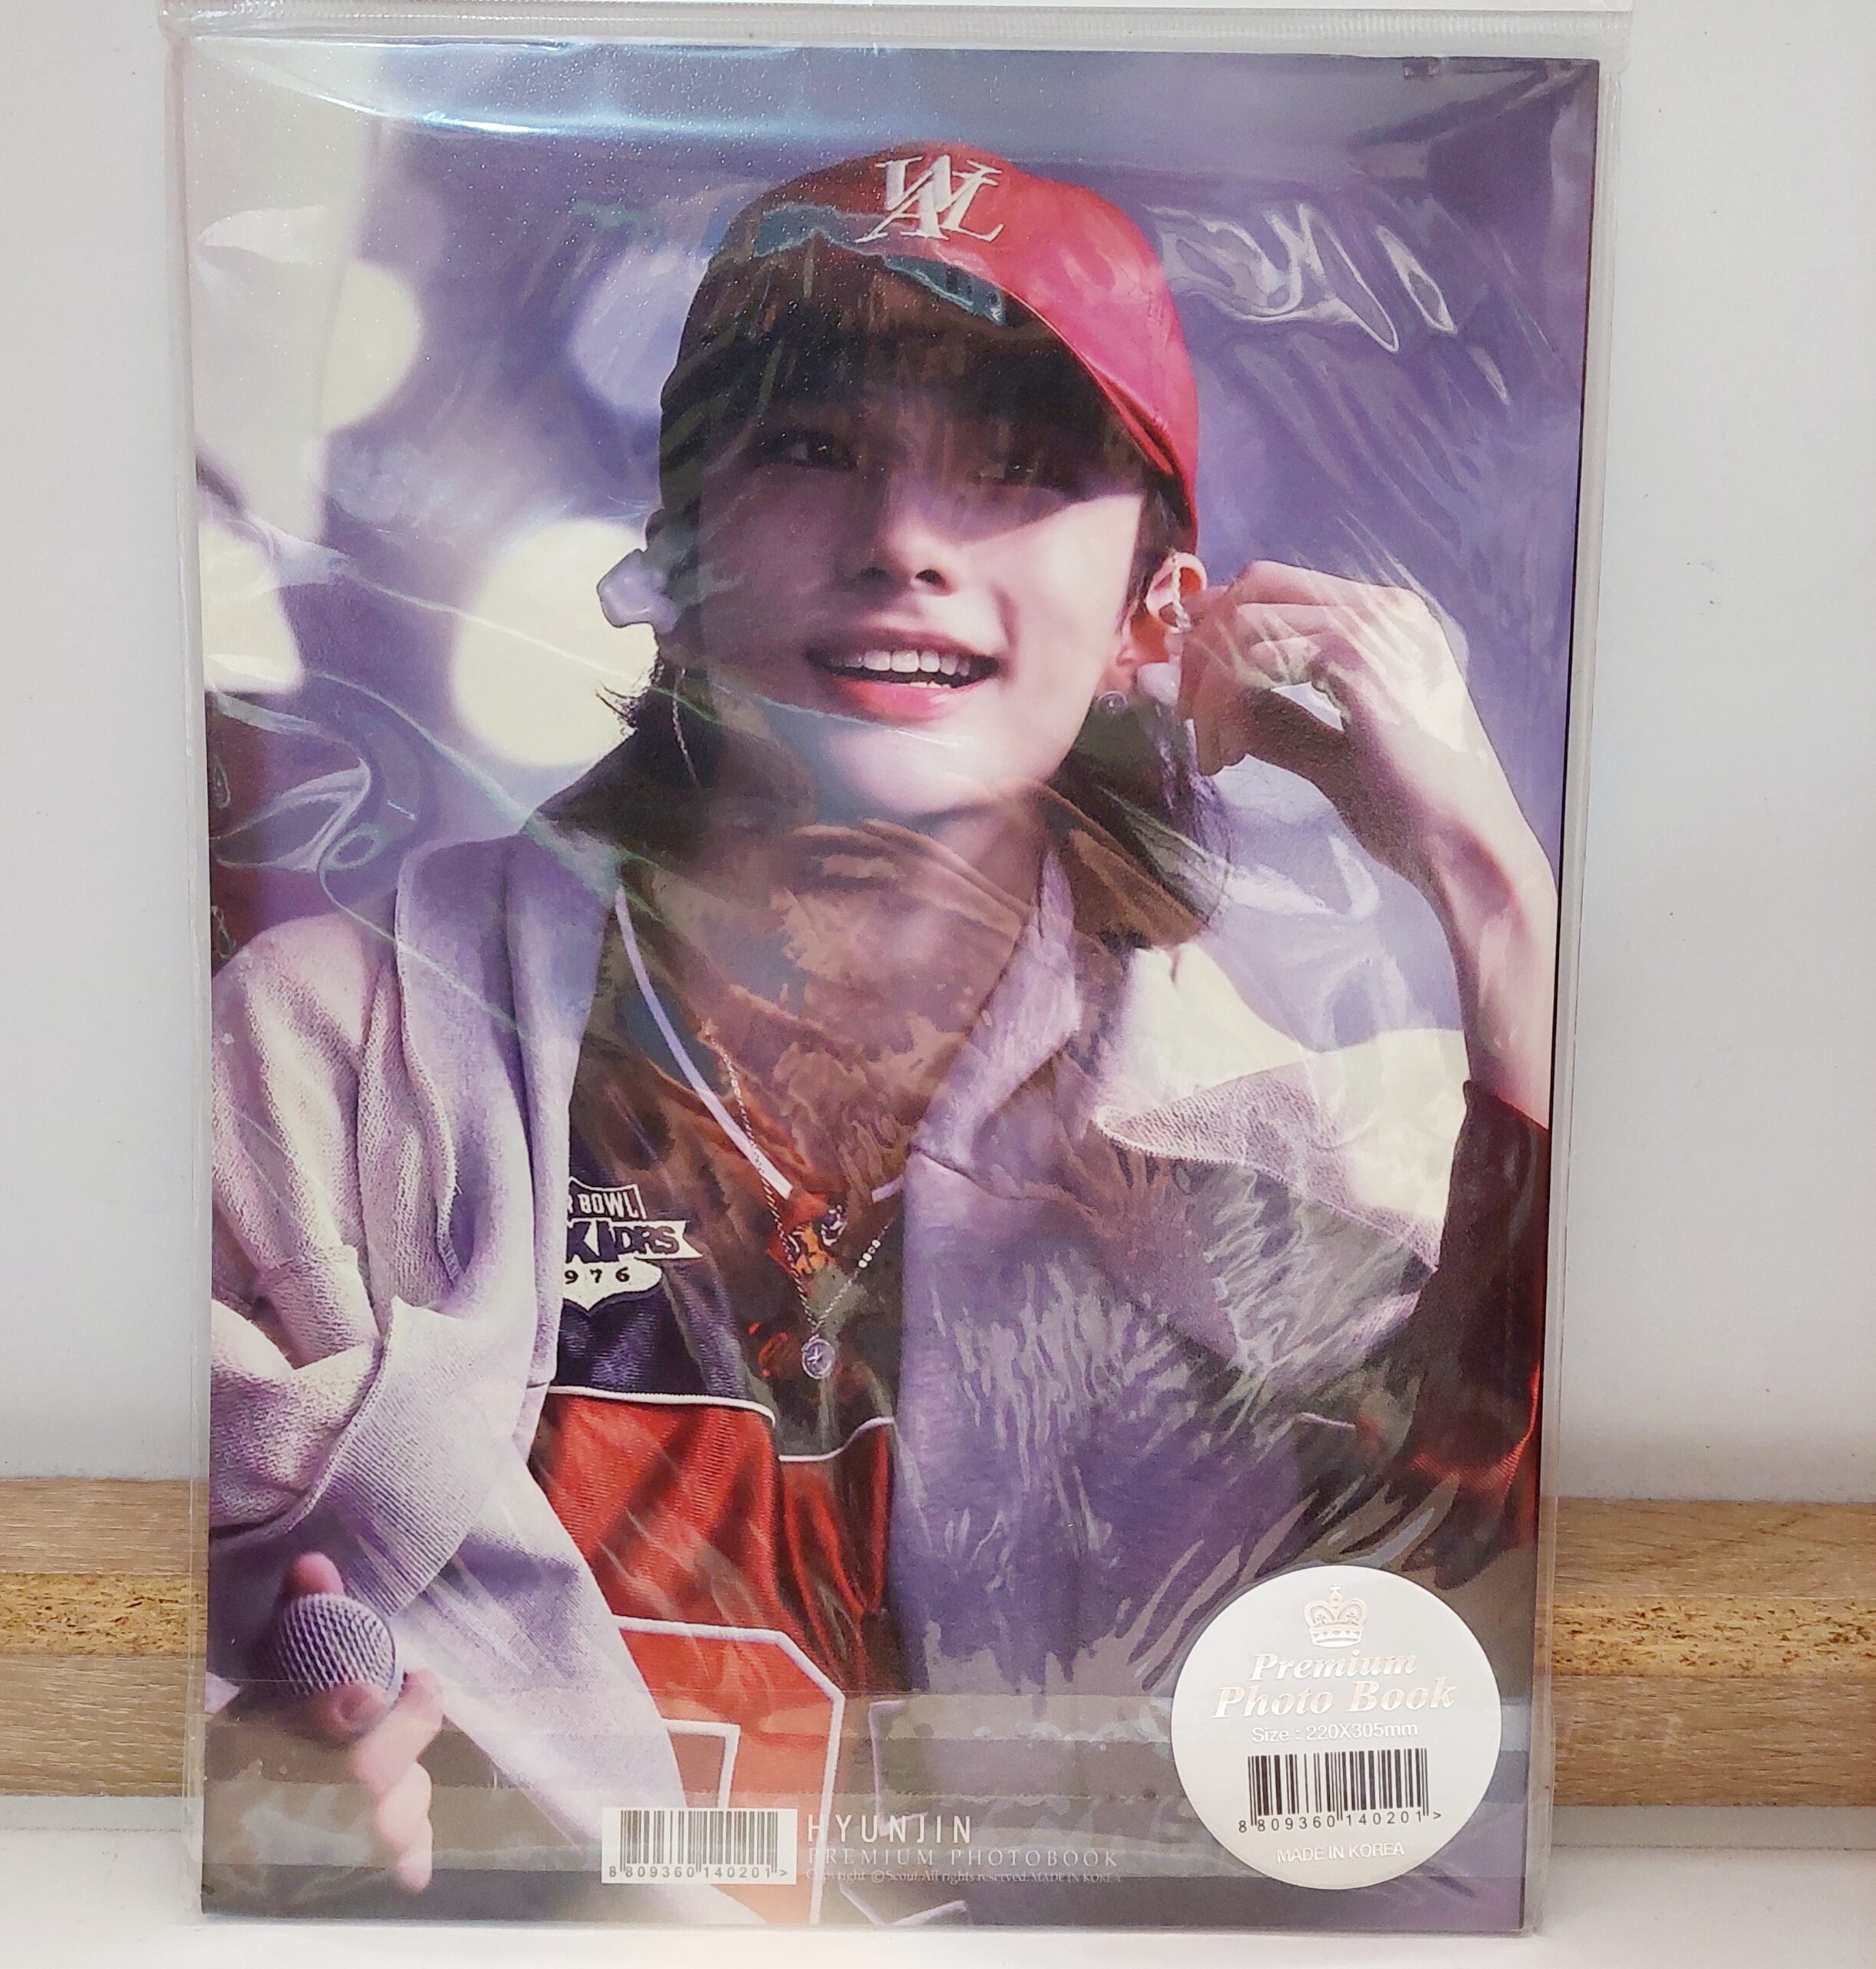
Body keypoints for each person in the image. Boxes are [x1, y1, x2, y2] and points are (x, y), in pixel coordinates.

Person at [205, 146, 1556, 1922]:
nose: (903, 539)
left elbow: (1436, 1698)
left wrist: (1493, 895)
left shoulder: (1283, 1158)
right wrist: (264, 1785)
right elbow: (198, 1653)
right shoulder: (335, 1057)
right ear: (675, 549)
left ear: (1154, 613)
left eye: (1015, 466)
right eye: (808, 442)